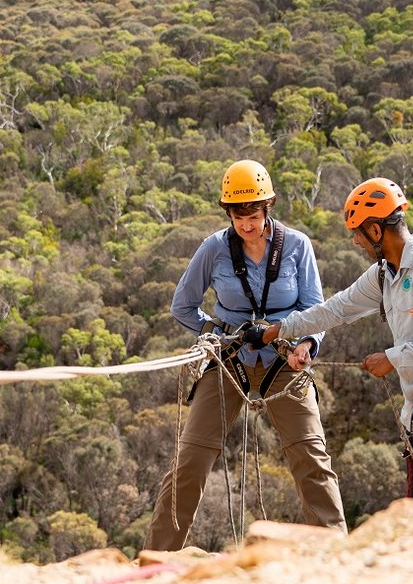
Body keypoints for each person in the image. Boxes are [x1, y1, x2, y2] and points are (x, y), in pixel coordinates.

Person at [258, 176, 413, 510]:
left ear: (375, 230)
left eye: (357, 232)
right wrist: (278, 330)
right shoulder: (385, 274)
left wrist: (393, 358)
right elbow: (337, 309)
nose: (356, 242)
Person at [143, 160, 347, 550]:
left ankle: (335, 552)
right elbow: (182, 306)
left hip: (284, 360)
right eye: (238, 216)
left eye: (253, 215)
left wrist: (306, 345)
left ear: (267, 207)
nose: (246, 225)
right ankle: (157, 557)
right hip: (228, 359)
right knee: (190, 461)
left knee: (310, 456)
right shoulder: (215, 249)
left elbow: (314, 309)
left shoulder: (297, 246)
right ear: (228, 213)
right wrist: (215, 333)